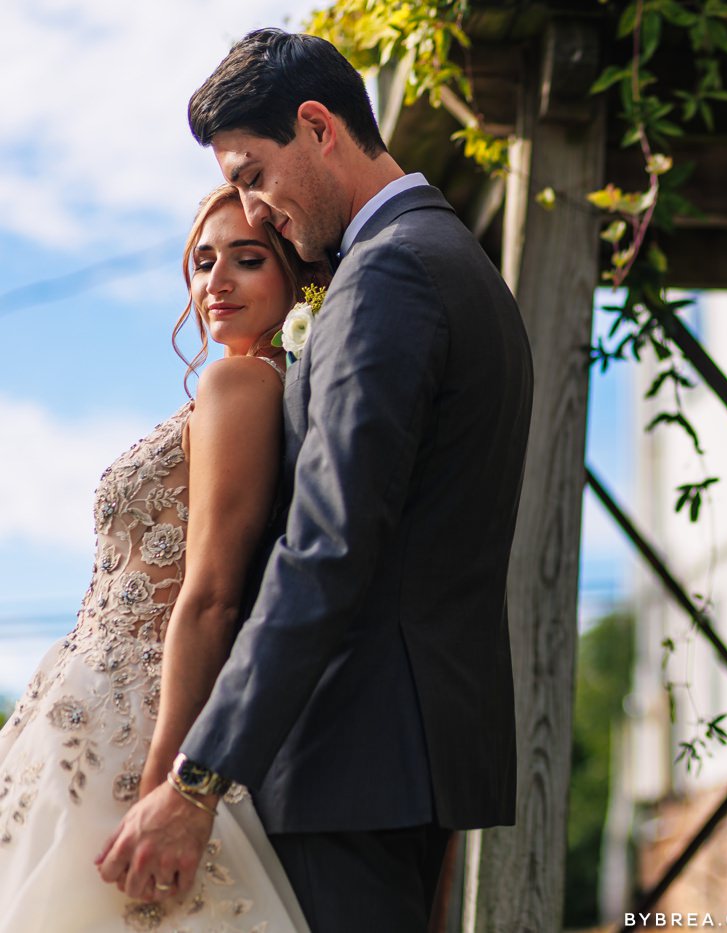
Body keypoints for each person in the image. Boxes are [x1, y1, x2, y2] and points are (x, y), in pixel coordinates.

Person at [96, 27, 534, 932]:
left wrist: (199, 775)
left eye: (254, 174)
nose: (253, 211)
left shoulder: (391, 275)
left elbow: (328, 545)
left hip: (352, 761)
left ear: (318, 126)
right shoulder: (453, 261)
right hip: (405, 760)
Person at [0, 183, 321, 931]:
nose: (218, 281)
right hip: (90, 712)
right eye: (204, 260)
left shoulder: (239, 380)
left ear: (294, 278)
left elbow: (210, 593)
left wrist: (165, 784)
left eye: (248, 259)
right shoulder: (249, 383)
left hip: (136, 724)